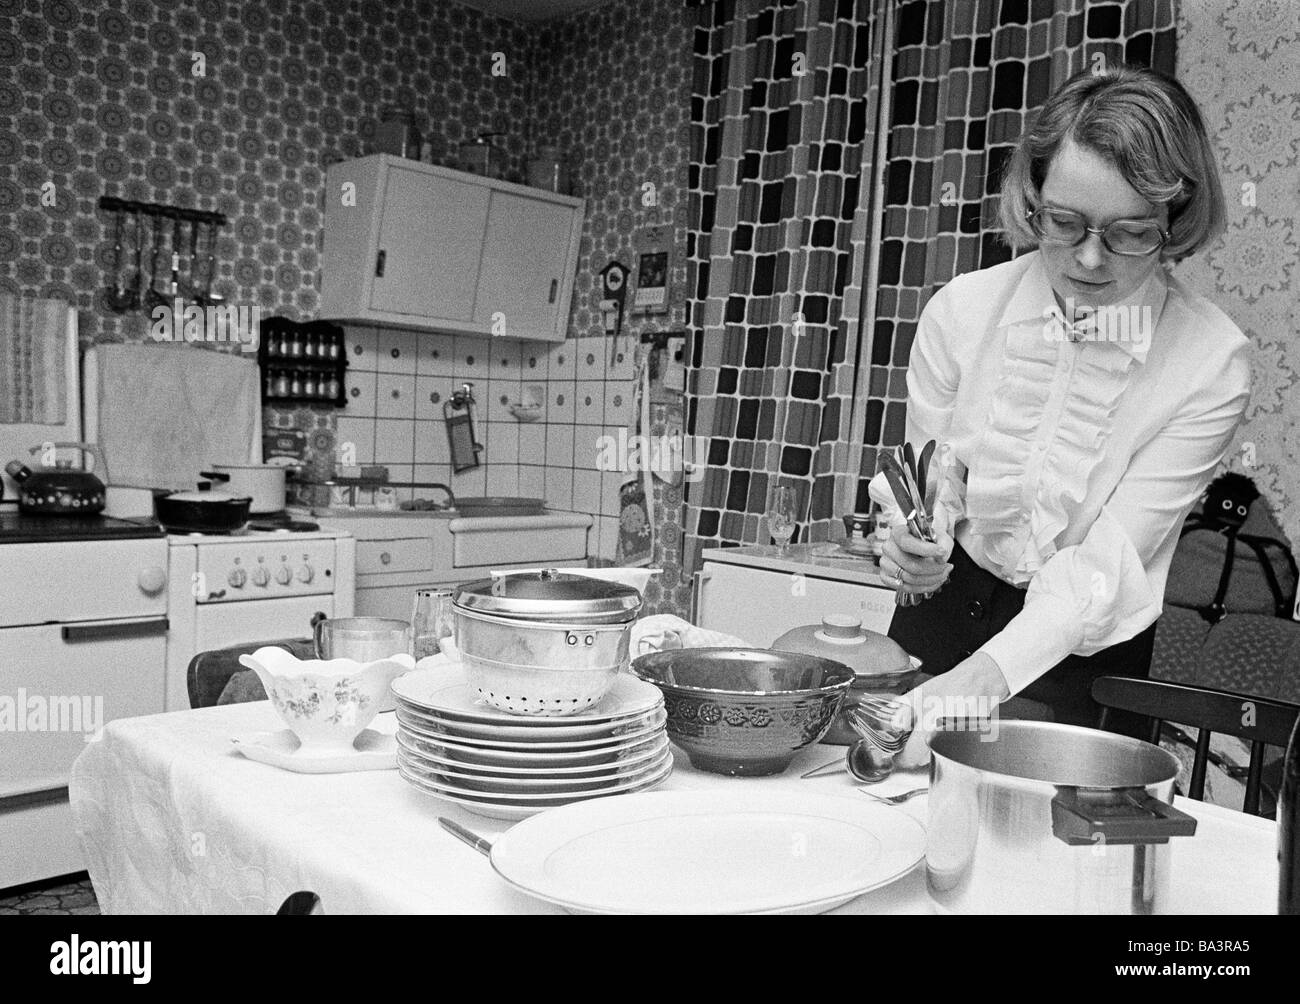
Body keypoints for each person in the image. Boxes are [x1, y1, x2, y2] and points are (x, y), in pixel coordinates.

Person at [869, 65, 1251, 759]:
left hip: (1085, 658)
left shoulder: (1209, 361)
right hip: (942, 622)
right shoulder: (963, 311)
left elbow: (1103, 564)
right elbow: (930, 476)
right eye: (1064, 222)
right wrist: (915, 546)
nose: (1088, 259)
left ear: (1176, 216)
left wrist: (978, 681)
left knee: (1057, 848)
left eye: (1130, 233)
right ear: (1033, 196)